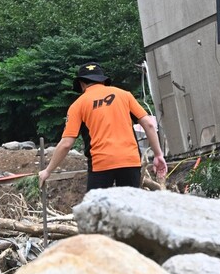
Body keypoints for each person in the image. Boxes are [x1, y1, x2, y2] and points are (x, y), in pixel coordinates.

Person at [39, 62, 167, 191]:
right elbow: (149, 124)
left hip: (101, 164)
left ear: (82, 84)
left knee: (98, 209)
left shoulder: (78, 105)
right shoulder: (125, 95)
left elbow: (66, 143)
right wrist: (158, 155)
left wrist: (48, 171)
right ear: (103, 81)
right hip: (130, 160)